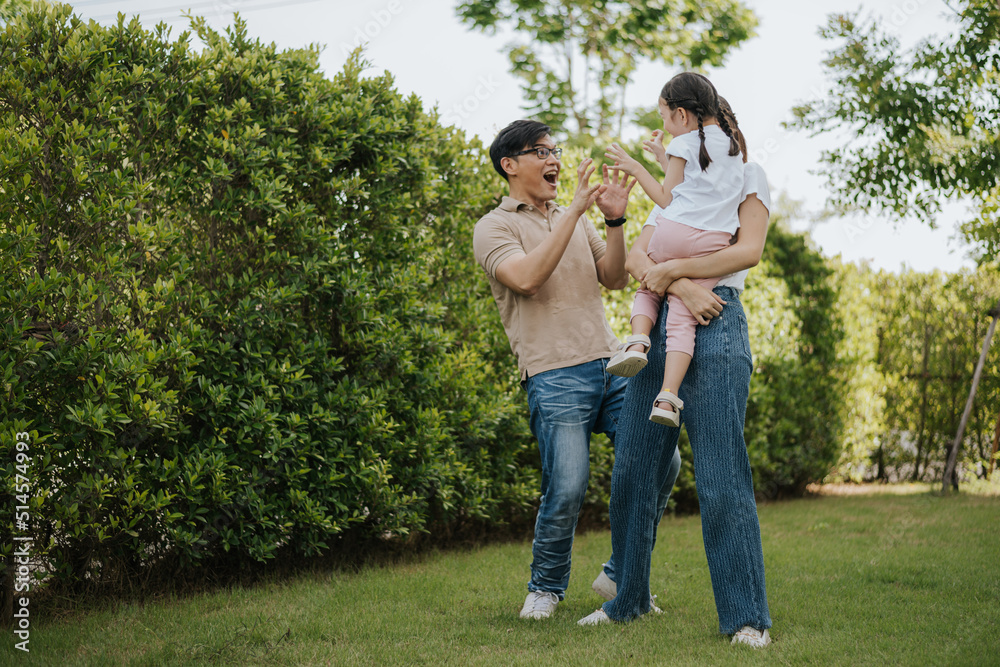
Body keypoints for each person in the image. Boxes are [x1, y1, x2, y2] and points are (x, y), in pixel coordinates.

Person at [578, 102, 775, 650]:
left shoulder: (748, 175)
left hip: (719, 323)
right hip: (659, 324)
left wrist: (677, 276)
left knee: (720, 475)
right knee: (634, 469)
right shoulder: (679, 186)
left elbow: (749, 249)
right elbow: (641, 253)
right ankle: (628, 601)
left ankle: (745, 618)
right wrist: (681, 285)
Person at [473, 119, 682, 621]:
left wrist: (613, 221)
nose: (555, 160)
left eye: (555, 150)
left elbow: (612, 278)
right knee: (567, 485)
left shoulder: (577, 219)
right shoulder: (494, 227)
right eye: (541, 152)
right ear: (510, 164)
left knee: (664, 461)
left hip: (609, 364)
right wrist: (573, 212)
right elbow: (525, 278)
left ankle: (619, 574)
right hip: (553, 373)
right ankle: (545, 587)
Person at [602, 72, 744, 428]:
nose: (665, 125)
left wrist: (637, 167)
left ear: (681, 115)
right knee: (682, 319)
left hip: (673, 234)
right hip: (712, 242)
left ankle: (636, 342)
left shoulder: (684, 143)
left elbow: (669, 196)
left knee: (650, 283)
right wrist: (664, 158)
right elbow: (696, 185)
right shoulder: (732, 147)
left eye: (665, 117)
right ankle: (668, 396)